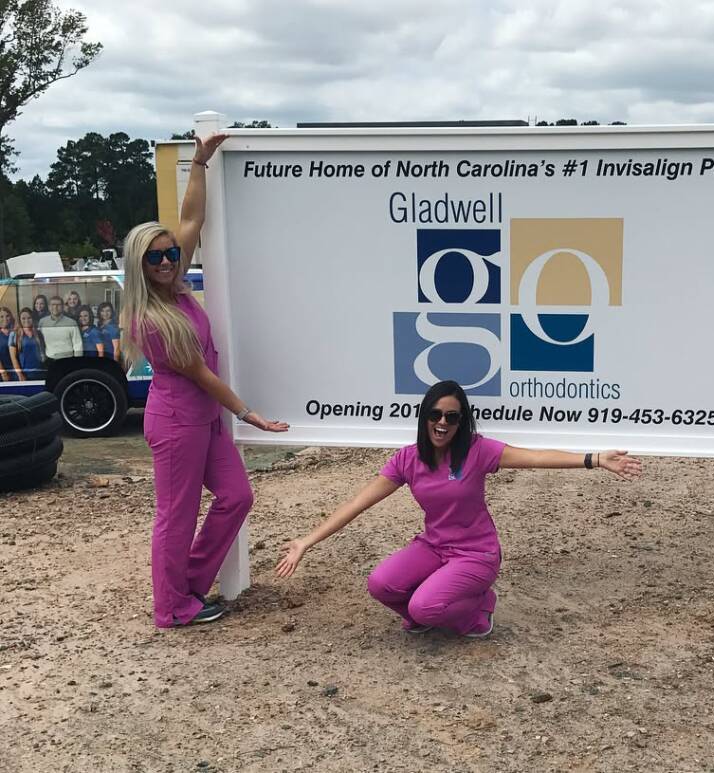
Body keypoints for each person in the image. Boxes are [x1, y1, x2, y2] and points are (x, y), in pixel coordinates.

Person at [276, 380, 641, 638]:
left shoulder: (478, 451)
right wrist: (306, 542)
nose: (442, 423)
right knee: (381, 585)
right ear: (424, 416)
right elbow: (357, 503)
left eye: (452, 417)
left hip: (476, 554)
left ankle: (478, 612)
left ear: (461, 421)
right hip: (434, 547)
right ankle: (432, 611)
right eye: (436, 415)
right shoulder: (408, 459)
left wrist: (594, 459)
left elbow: (535, 457)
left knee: (423, 606)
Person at [120, 133, 289, 628]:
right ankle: (171, 608)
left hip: (205, 421)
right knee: (176, 516)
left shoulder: (175, 287)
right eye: (154, 257)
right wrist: (249, 414)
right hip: (177, 425)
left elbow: (192, 219)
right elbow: (200, 374)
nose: (166, 261)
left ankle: (189, 585)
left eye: (170, 253)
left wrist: (199, 160)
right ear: (139, 264)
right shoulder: (150, 319)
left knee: (237, 496)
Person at [8, 308, 46, 381]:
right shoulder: (14, 334)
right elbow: (13, 358)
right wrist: (20, 374)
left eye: (29, 318)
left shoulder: (38, 333)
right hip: (24, 374)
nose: (26, 320)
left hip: (40, 373)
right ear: (19, 320)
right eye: (23, 318)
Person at [0, 307, 16, 380]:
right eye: (1, 316)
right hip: (4, 374)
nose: (5, 319)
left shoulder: (16, 333)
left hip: (17, 372)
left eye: (7, 316)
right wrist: (3, 374)